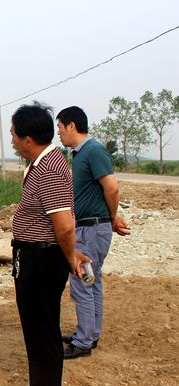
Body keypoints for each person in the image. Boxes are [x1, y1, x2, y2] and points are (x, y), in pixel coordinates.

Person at [8, 102, 89, 386]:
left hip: (43, 259)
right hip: (33, 256)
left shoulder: (51, 169)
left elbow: (65, 225)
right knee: (36, 329)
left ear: (27, 139)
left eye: (13, 134)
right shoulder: (40, 164)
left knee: (43, 332)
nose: (11, 140)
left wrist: (70, 257)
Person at [56, 106, 131, 359]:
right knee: (91, 280)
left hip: (90, 230)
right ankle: (90, 333)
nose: (59, 134)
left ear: (72, 126)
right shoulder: (80, 154)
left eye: (60, 128)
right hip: (90, 227)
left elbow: (112, 188)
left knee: (82, 281)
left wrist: (111, 218)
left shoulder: (93, 151)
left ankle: (84, 341)